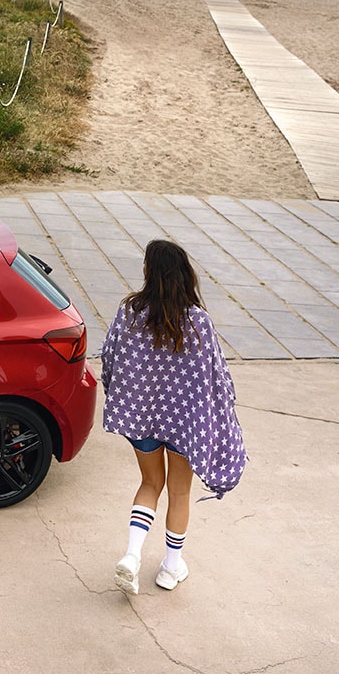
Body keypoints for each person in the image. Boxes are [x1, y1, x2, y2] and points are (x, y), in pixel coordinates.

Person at [101, 239, 246, 596]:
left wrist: (121, 396)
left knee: (150, 484)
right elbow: (217, 375)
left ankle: (132, 556)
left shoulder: (130, 311)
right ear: (184, 273)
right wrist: (223, 413)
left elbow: (109, 356)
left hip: (142, 419)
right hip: (185, 424)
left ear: (149, 272)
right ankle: (170, 567)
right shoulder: (198, 321)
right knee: (179, 492)